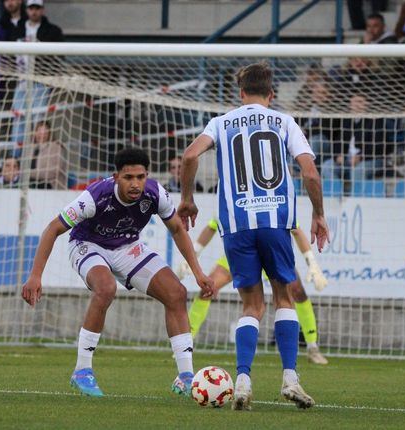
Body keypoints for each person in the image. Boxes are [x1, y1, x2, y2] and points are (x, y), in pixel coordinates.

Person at [178, 62, 329, 411]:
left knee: (251, 306)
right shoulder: (285, 122)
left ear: (240, 93)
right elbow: (310, 172)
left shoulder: (221, 123)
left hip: (238, 225)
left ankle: (243, 381)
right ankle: (290, 378)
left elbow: (189, 156)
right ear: (271, 94)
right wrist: (318, 214)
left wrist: (187, 199)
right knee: (284, 300)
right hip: (276, 222)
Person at [21, 148, 214, 398]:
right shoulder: (95, 196)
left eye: (140, 177)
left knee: (176, 292)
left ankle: (186, 378)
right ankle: (82, 371)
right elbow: (52, 229)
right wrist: (36, 276)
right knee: (106, 288)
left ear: (147, 175)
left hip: (127, 247)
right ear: (116, 177)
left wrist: (197, 272)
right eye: (128, 177)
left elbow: (178, 229)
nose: (135, 184)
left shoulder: (155, 194)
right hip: (87, 245)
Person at [177, 218, 329, 365]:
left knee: (297, 292)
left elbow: (296, 229)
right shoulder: (235, 200)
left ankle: (312, 347)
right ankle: (187, 343)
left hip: (271, 254)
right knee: (207, 290)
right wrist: (192, 257)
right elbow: (212, 226)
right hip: (242, 255)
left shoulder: (272, 202)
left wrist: (312, 263)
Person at [10, 0, 64, 144]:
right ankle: (16, 159)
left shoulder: (53, 31)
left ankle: (37, 156)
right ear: (26, 10)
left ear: (43, 10)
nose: (34, 11)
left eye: (37, 8)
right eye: (31, 8)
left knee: (38, 120)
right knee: (18, 119)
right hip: (21, 81)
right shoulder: (17, 29)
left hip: (40, 82)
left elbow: (59, 57)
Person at [28, 120, 66, 189]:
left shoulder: (56, 147)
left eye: (45, 132)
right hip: (32, 185)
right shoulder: (31, 148)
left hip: (51, 187)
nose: (41, 134)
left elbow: (52, 172)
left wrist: (28, 173)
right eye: (39, 131)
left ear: (49, 133)